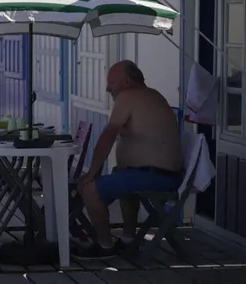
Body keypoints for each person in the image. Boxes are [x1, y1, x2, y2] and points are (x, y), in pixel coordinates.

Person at [73, 60, 184, 260]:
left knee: (90, 190)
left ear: (126, 81)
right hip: (160, 175)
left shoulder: (129, 96)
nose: (107, 88)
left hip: (155, 176)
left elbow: (108, 135)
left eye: (111, 82)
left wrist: (92, 173)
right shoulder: (151, 95)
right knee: (121, 173)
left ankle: (105, 246)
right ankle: (128, 239)